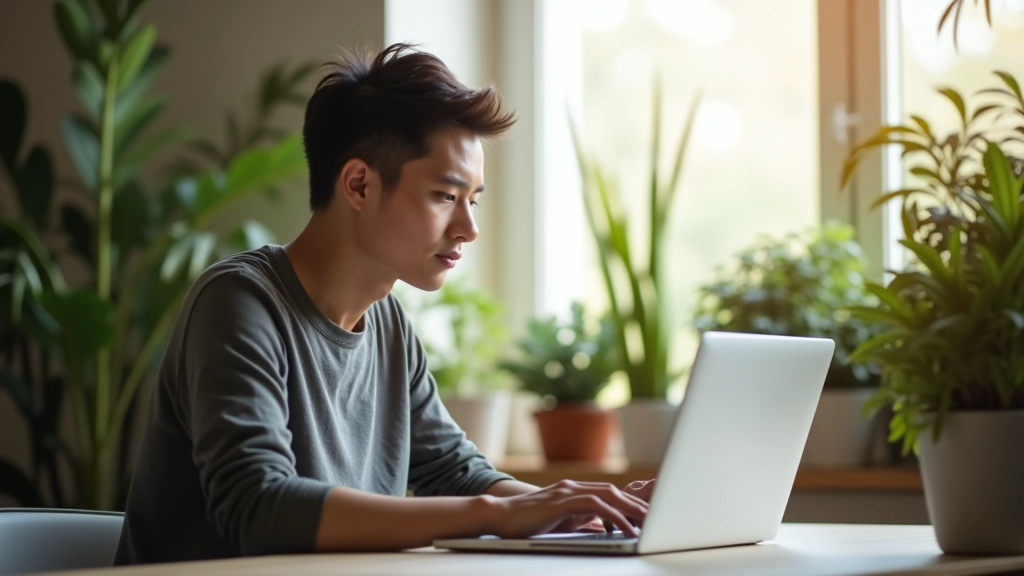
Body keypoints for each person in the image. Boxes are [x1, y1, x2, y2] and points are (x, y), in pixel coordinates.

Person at [114, 43, 653, 565]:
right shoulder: (239, 303)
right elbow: (259, 508)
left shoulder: (388, 322)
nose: (469, 228)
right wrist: (500, 512)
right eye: (446, 196)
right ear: (358, 184)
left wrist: (586, 511)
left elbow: (456, 473)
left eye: (474, 200)